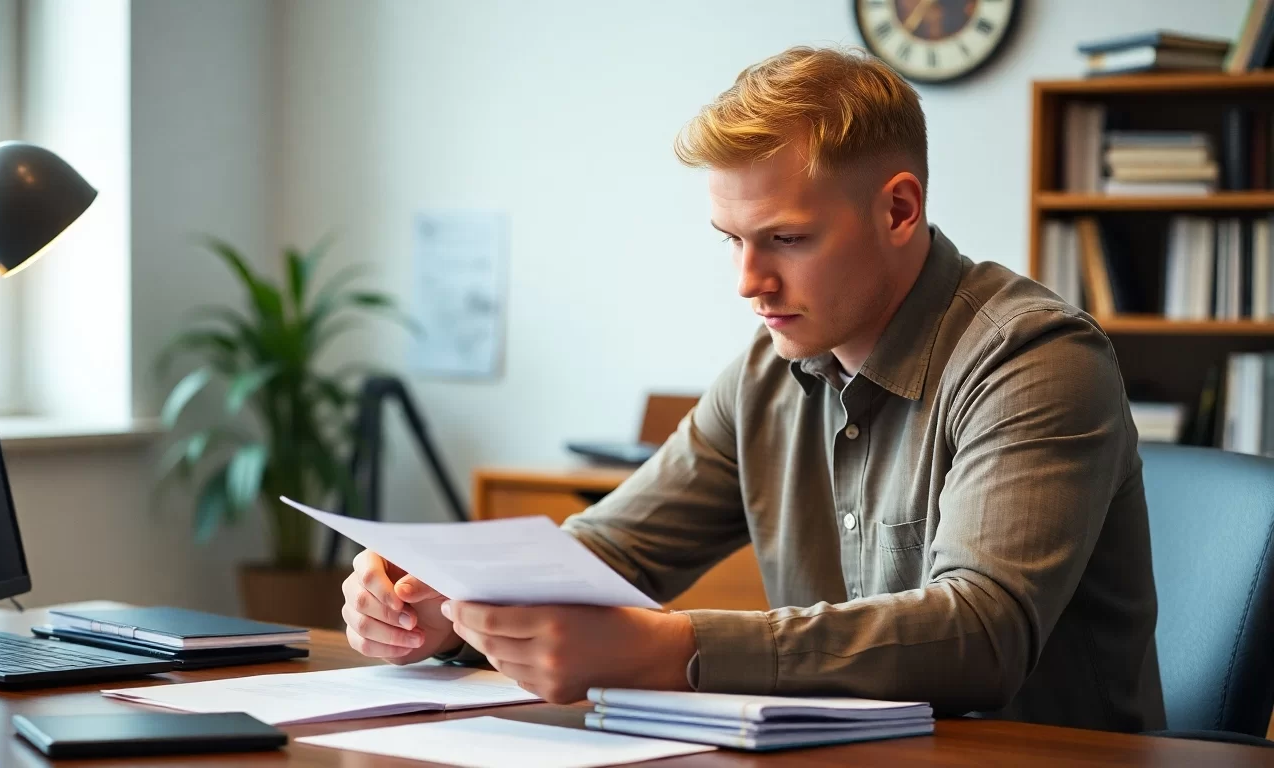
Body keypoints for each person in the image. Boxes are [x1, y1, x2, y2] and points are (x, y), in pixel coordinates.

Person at [339, 45, 1166, 732]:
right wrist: (443, 604)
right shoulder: (766, 374)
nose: (748, 281)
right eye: (731, 239)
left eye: (786, 239)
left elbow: (981, 635)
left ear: (899, 210)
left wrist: (674, 649)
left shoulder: (1034, 358)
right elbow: (607, 555)